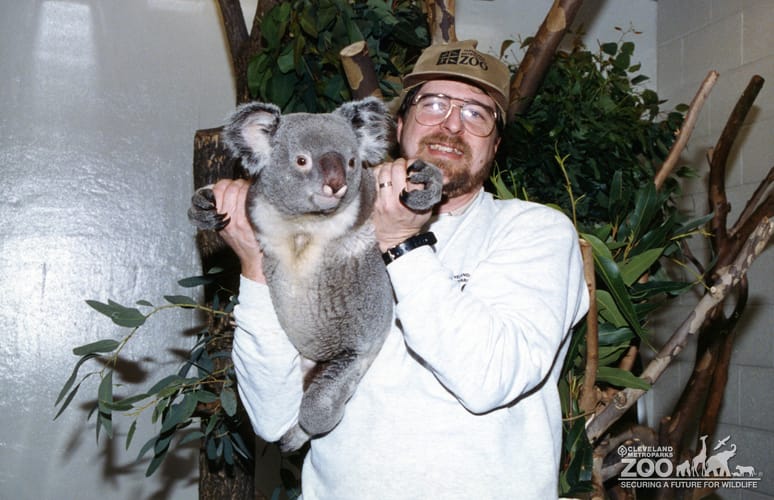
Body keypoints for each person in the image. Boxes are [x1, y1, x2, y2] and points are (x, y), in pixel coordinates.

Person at [214, 40, 589, 499]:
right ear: (398, 125)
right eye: (433, 104)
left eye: (477, 114)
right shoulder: (320, 231)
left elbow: (489, 378)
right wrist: (255, 266)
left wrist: (400, 240)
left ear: (495, 145)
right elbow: (274, 417)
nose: (452, 124)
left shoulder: (534, 231)